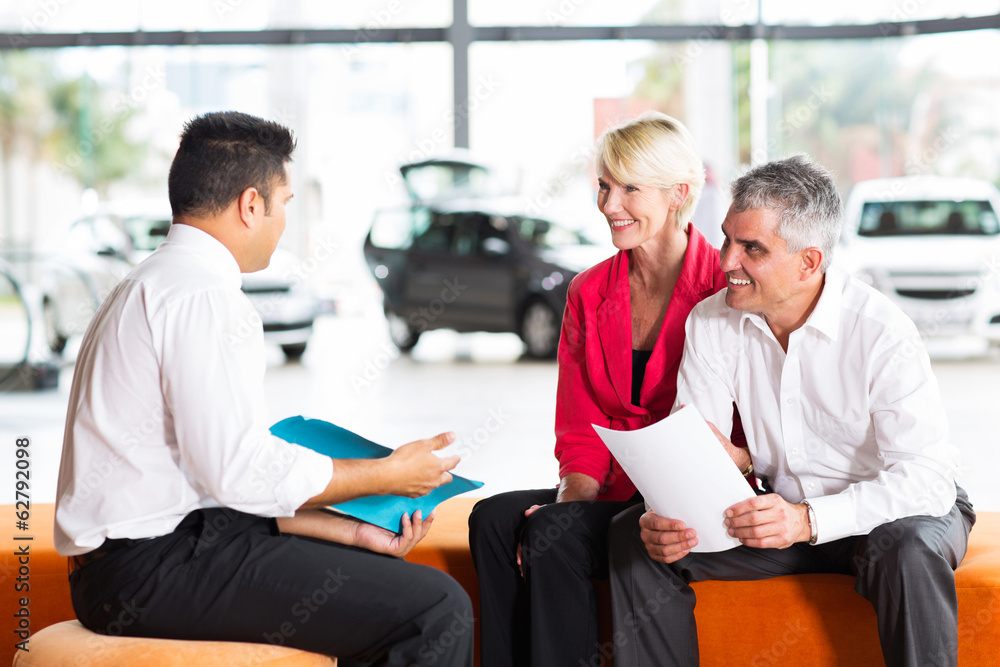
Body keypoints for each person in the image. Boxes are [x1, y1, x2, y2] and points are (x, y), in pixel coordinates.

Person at [54, 111, 473, 667]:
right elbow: (235, 471)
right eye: (286, 203)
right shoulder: (203, 297)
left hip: (143, 557)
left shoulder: (151, 281)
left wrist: (351, 535)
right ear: (252, 205)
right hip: (150, 572)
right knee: (436, 608)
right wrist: (388, 474)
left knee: (388, 582)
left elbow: (210, 483)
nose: (284, 222)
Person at [608, 154, 976, 667]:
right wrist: (668, 512)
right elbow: (699, 452)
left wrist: (808, 521)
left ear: (809, 262)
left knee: (907, 550)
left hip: (888, 515)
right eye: (727, 239)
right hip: (781, 513)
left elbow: (926, 480)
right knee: (637, 536)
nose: (726, 261)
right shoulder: (711, 322)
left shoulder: (880, 330)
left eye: (751, 248)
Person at [468, 112, 748, 667]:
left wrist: (562, 518)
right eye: (603, 185)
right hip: (612, 489)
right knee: (492, 521)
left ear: (679, 195)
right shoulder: (587, 292)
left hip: (689, 496)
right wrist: (572, 497)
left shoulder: (724, 286)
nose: (609, 204)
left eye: (629, 189)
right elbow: (579, 424)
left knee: (551, 532)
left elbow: (744, 426)